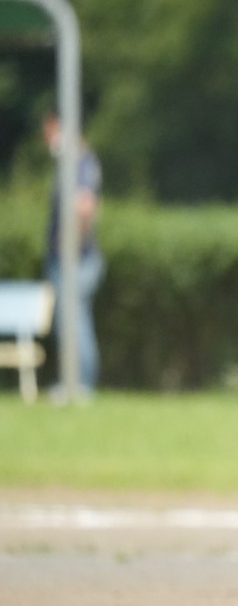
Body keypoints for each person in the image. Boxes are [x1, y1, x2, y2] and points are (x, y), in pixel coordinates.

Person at [42, 110, 105, 398]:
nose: (49, 141)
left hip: (76, 260)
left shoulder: (79, 164)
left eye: (51, 133)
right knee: (74, 320)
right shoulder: (79, 164)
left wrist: (71, 245)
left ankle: (79, 384)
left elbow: (85, 207)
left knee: (73, 323)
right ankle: (76, 384)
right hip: (75, 258)